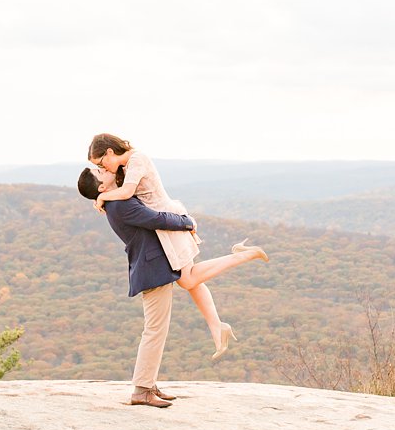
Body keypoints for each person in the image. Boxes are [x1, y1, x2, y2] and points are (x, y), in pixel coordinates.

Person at [78, 165, 267, 408]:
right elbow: (156, 219)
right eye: (100, 173)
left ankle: (149, 384)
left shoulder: (115, 201)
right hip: (152, 269)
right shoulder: (120, 205)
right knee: (155, 330)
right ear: (102, 187)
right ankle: (142, 390)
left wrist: (106, 194)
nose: (105, 169)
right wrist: (187, 222)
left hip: (155, 264)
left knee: (183, 290)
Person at [88, 132, 267, 358]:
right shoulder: (125, 166)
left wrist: (103, 197)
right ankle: (217, 326)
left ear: (110, 152)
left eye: (101, 163)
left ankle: (243, 255)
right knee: (190, 279)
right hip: (162, 225)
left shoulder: (137, 159)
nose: (103, 168)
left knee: (188, 278)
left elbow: (127, 193)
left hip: (167, 220)